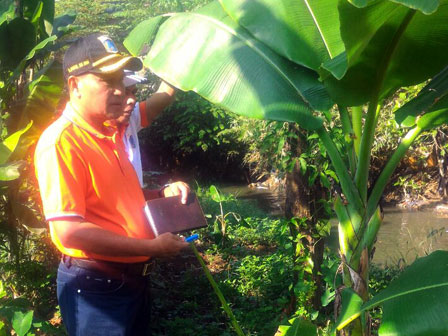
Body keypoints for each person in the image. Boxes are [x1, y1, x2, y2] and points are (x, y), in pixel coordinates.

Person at [34, 33, 189, 335]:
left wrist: (161, 193)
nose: (121, 91)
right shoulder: (62, 142)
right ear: (75, 85)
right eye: (108, 81)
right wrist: (150, 246)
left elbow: (119, 199)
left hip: (130, 281)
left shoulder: (110, 133)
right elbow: (69, 230)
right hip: (97, 289)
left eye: (121, 80)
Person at [118, 71, 176, 187]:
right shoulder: (85, 137)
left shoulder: (130, 118)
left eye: (134, 92)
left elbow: (164, 96)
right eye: (124, 92)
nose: (132, 100)